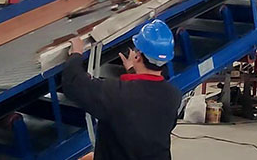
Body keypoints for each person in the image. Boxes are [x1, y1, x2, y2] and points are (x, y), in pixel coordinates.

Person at [63, 20, 182, 160]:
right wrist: (132, 71)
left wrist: (76, 53)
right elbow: (145, 108)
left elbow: (73, 83)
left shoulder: (116, 94)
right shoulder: (173, 95)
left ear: (137, 56)